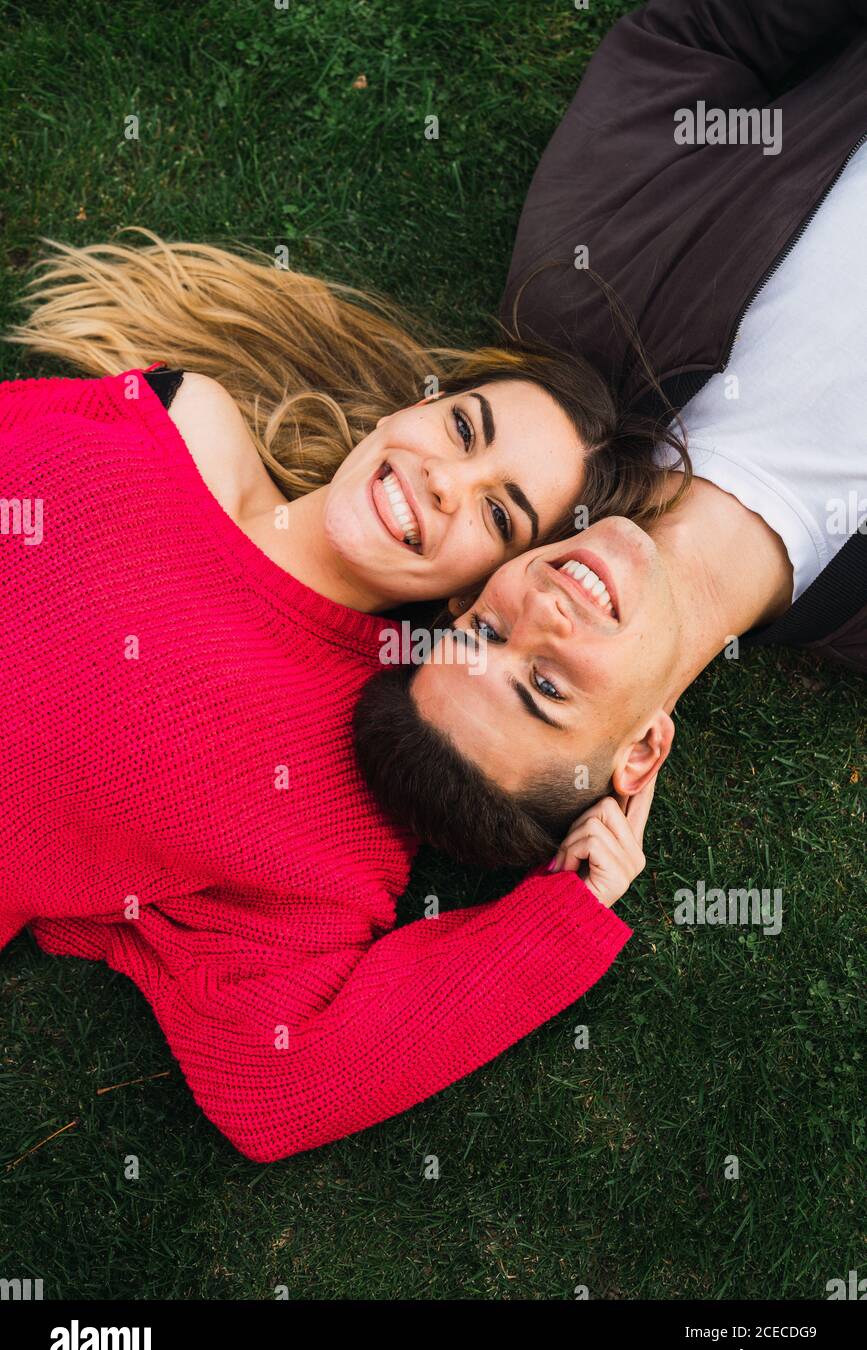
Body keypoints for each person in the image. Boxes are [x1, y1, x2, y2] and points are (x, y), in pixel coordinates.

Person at [0, 229, 671, 1161]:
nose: (445, 478)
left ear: (491, 584)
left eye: (495, 511)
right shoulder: (180, 406)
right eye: (463, 429)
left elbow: (280, 1081)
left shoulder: (331, 782)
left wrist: (555, 924)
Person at [352, 0, 867, 868]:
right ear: (639, 753)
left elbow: (700, 37)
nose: (540, 615)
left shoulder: (587, 297)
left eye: (482, 632)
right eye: (545, 688)